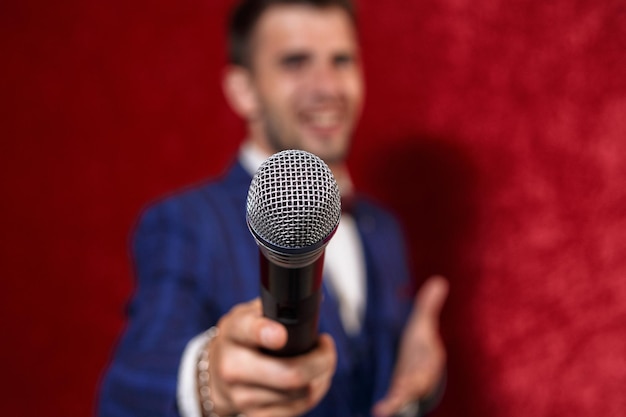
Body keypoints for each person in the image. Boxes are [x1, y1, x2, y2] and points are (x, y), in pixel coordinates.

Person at [98, 0, 449, 416]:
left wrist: (422, 380)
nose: (328, 87)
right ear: (243, 90)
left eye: (342, 60)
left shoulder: (383, 228)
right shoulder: (186, 223)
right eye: (295, 62)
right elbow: (130, 387)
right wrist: (208, 382)